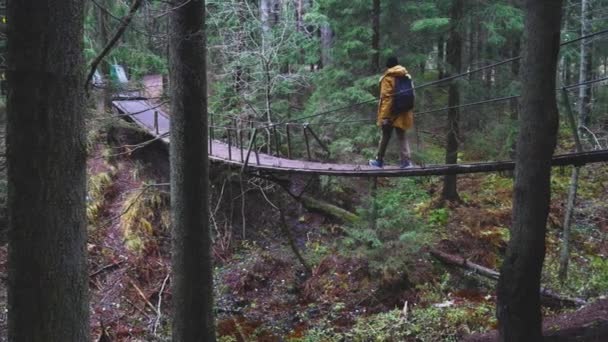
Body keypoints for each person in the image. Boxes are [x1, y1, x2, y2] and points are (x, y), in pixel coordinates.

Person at [369, 57, 415, 168]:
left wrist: (384, 116)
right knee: (402, 136)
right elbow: (412, 95)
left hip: (390, 113)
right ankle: (406, 162)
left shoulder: (388, 78)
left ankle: (379, 161)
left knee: (385, 136)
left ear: (388, 66)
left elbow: (386, 98)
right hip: (403, 111)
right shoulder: (407, 76)